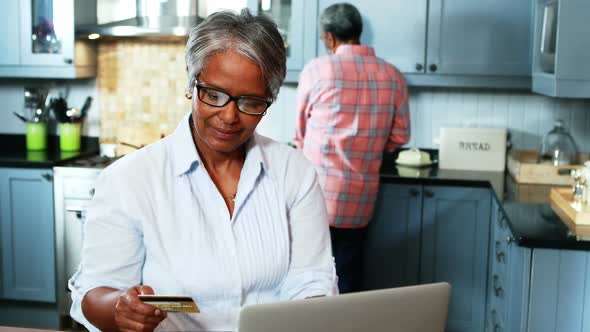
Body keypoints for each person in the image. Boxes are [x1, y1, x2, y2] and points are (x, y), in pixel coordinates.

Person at [69, 9, 337, 332]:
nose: (229, 117)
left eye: (250, 102)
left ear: (269, 99)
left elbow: (312, 280)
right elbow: (94, 291)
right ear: (191, 83)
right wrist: (120, 310)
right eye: (214, 95)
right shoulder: (130, 179)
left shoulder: (295, 173)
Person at [294, 3, 411, 294]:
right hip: (359, 200)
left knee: (308, 275)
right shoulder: (392, 75)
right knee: (348, 274)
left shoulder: (317, 70)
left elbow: (300, 133)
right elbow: (400, 137)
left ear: (330, 38)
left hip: (315, 196)